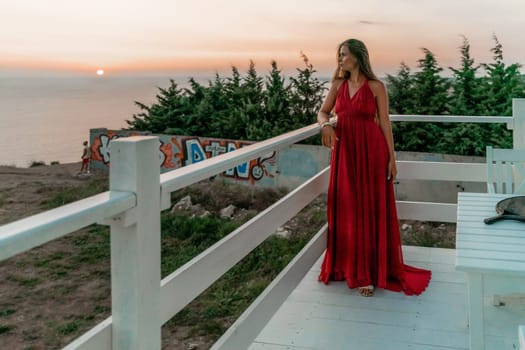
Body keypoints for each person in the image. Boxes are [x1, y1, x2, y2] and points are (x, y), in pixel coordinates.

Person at [317, 39, 431, 297]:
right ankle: (348, 266)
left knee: (369, 209)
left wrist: (392, 158)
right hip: (345, 153)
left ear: (357, 57)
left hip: (372, 152)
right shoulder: (338, 85)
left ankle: (367, 272)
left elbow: (385, 124)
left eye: (344, 54)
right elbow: (322, 112)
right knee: (347, 207)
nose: (340, 59)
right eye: (339, 54)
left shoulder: (377, 87)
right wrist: (325, 125)